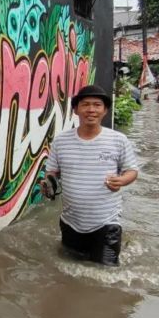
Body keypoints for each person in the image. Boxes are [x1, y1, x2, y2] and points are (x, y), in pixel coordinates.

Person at [39, 85, 139, 266]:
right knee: (69, 269)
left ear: (105, 110)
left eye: (97, 105)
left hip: (107, 223)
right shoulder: (61, 141)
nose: (91, 109)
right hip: (70, 222)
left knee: (106, 273)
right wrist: (47, 184)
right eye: (85, 105)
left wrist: (122, 180)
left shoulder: (118, 140)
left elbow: (132, 171)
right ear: (76, 110)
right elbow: (52, 172)